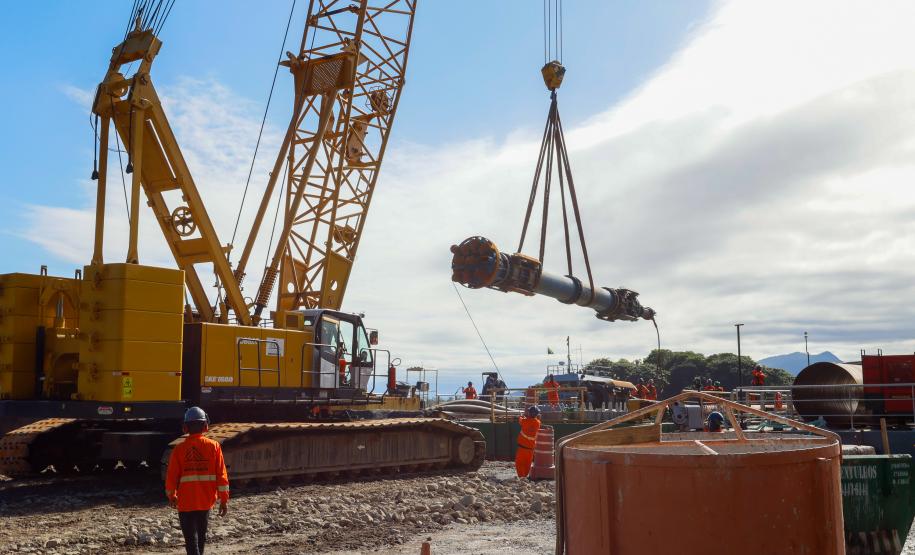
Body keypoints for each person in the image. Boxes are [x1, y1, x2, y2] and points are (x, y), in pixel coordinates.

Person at [166, 407, 229, 555]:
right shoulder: (214, 447)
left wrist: (172, 496)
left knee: (191, 541)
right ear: (205, 426)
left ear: (185, 427)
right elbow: (222, 476)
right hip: (206, 502)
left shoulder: (178, 450)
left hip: (185, 503)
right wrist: (224, 500)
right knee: (201, 539)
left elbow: (171, 477)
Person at [515, 406, 542, 478]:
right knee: (528, 463)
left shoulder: (524, 421)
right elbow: (531, 421)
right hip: (531, 448)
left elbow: (520, 420)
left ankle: (521, 477)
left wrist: (521, 416)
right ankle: (525, 476)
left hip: (522, 447)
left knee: (519, 463)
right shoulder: (538, 423)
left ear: (529, 413)